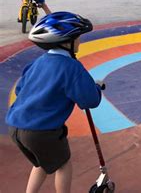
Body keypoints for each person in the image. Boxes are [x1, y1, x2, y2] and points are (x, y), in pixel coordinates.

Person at [5, 12, 103, 193]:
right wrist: (95, 87)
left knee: (43, 163)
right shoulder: (71, 67)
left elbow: (20, 90)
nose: (80, 41)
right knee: (63, 165)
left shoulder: (38, 62)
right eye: (78, 37)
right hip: (41, 131)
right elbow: (90, 100)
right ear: (67, 42)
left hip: (15, 126)